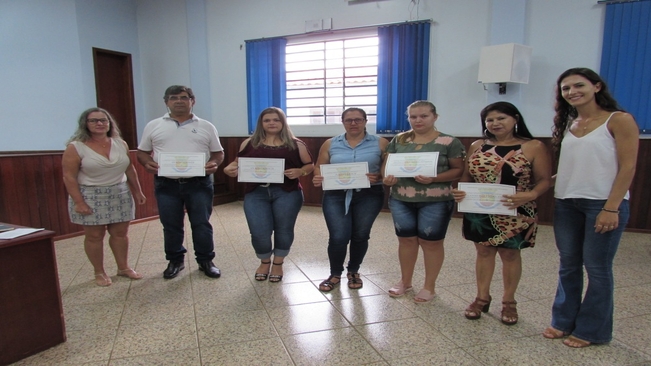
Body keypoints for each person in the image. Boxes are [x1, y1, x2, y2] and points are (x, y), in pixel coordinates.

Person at [542, 68, 638, 348]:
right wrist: (537, 188)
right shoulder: (570, 123)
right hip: (567, 202)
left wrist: (611, 208)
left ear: (597, 87)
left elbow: (628, 166)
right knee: (568, 266)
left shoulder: (618, 120)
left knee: (597, 268)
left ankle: (591, 331)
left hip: (602, 203)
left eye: (578, 85)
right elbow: (572, 169)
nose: (572, 92)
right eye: (565, 88)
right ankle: (562, 322)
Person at [451, 102, 551, 325]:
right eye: (490, 120)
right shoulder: (477, 145)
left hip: (515, 209)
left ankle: (509, 301)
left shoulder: (533, 146)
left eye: (501, 118)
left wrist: (531, 194)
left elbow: (545, 180)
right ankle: (482, 297)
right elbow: (467, 176)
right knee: (483, 252)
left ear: (515, 119)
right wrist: (460, 191)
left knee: (510, 254)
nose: (495, 123)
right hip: (480, 209)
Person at [137, 85, 224, 279]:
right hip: (166, 184)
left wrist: (214, 163)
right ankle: (175, 260)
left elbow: (218, 153)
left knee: (201, 224)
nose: (179, 101)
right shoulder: (153, 125)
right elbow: (142, 152)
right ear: (166, 102)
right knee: (171, 224)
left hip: (199, 183)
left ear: (192, 101)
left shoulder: (206, 126)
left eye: (184, 97)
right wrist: (147, 163)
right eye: (174, 97)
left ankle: (205, 260)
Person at [382, 100, 465, 303]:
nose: (418, 120)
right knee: (406, 240)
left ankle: (429, 286)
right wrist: (386, 178)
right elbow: (387, 166)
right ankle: (405, 281)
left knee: (431, 242)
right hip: (401, 198)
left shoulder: (449, 141)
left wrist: (434, 178)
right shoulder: (399, 140)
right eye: (413, 116)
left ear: (434, 117)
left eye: (423, 116)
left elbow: (458, 170)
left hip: (435, 199)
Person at [223, 107, 313, 282]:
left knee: (284, 229)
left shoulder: (296, 144)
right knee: (258, 231)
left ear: (283, 122)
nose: (272, 123)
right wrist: (229, 169)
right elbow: (236, 164)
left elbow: (309, 165)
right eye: (267, 120)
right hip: (256, 193)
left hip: (287, 192)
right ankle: (264, 261)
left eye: (276, 120)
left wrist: (300, 172)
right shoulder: (248, 143)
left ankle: (278, 263)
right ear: (261, 124)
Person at [62, 108, 146, 286]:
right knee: (94, 236)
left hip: (119, 193)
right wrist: (79, 202)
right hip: (90, 195)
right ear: (85, 124)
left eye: (103, 120)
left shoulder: (120, 143)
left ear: (110, 123)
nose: (99, 124)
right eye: (94, 121)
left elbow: (129, 169)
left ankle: (123, 268)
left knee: (120, 234)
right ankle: (99, 272)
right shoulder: (75, 147)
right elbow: (69, 177)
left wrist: (137, 191)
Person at [312, 108, 388, 292]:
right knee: (338, 236)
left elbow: (386, 171)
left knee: (361, 234)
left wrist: (378, 176)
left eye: (358, 120)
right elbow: (319, 167)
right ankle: (335, 273)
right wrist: (317, 177)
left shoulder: (381, 143)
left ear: (365, 121)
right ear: (343, 122)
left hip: (369, 195)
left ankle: (354, 271)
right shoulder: (330, 143)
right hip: (336, 195)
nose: (353, 123)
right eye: (349, 120)